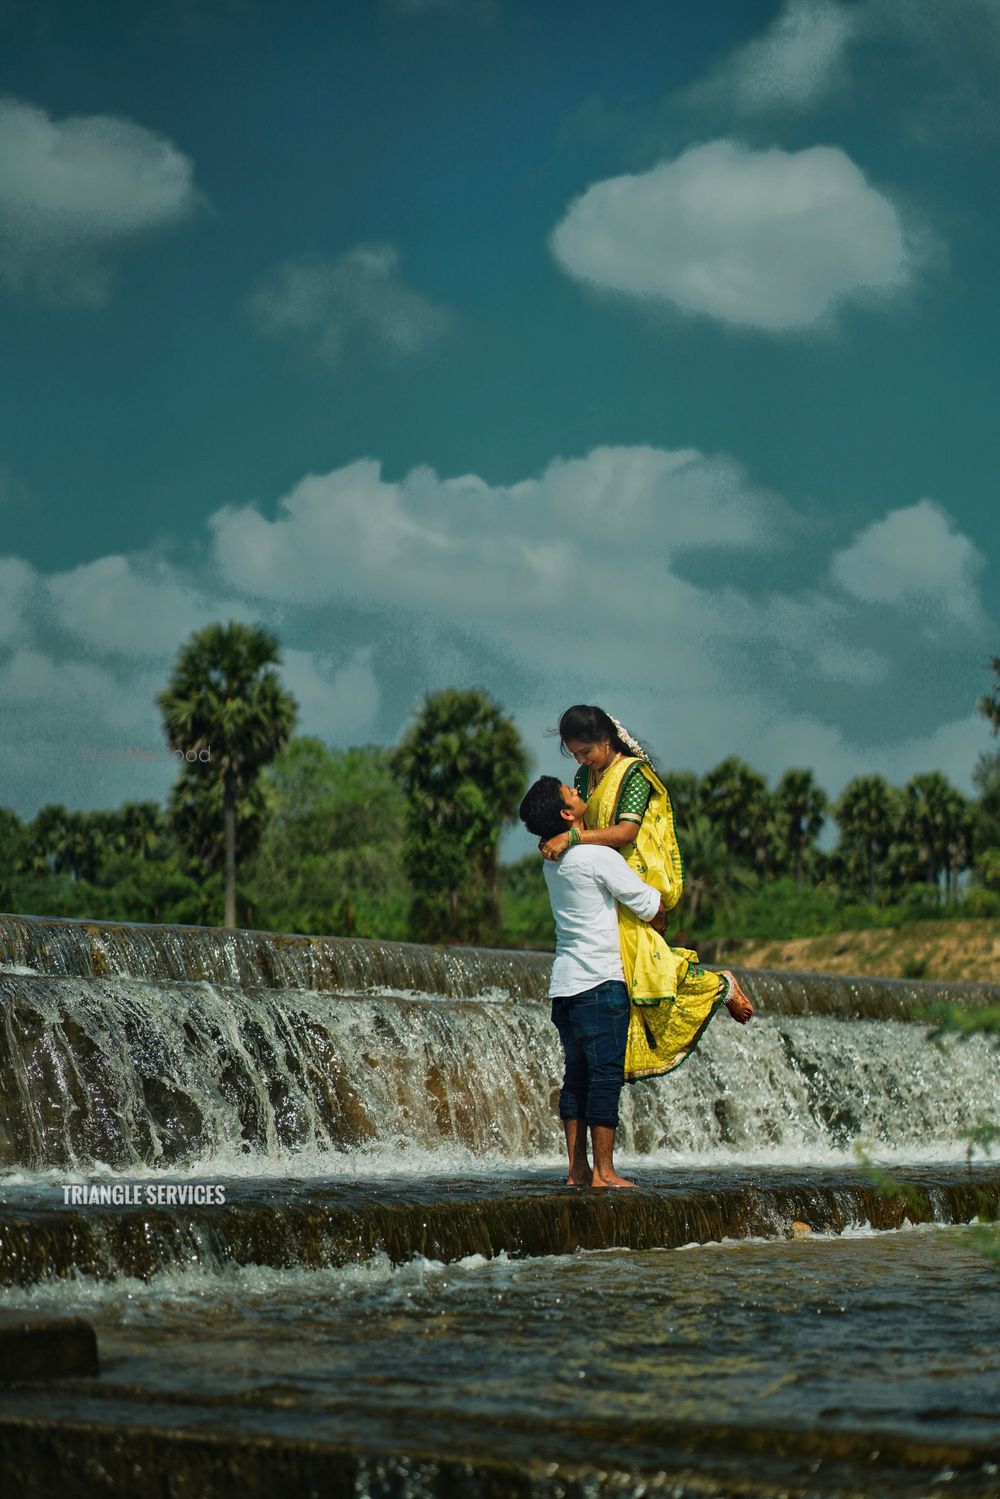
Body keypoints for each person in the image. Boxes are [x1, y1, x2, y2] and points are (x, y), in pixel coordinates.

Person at [539, 704, 751, 1085]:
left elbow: (626, 833)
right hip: (599, 888)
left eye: (586, 752)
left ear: (605, 740)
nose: (582, 761)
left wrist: (572, 837)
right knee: (634, 972)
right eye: (575, 755)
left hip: (629, 880)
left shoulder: (634, 775)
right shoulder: (584, 778)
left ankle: (720, 986)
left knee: (649, 965)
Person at [520, 774, 669, 1188]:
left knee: (577, 1076)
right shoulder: (596, 857)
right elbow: (648, 904)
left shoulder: (554, 860)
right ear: (568, 813)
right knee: (605, 1076)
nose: (579, 790)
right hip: (601, 984)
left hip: (565, 986)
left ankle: (577, 1170)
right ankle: (604, 1172)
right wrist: (662, 916)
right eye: (571, 793)